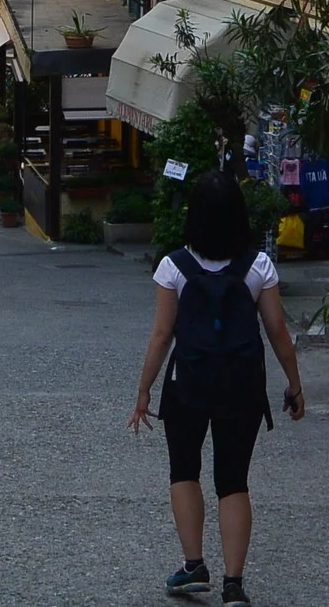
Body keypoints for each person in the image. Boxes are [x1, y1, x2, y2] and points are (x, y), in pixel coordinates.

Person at [128, 171, 306, 605]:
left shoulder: (174, 266)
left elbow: (162, 336)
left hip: (187, 384)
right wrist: (295, 385)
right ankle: (233, 584)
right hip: (242, 387)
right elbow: (278, 332)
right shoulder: (258, 266)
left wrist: (144, 390)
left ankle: (194, 565)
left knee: (184, 471)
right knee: (233, 481)